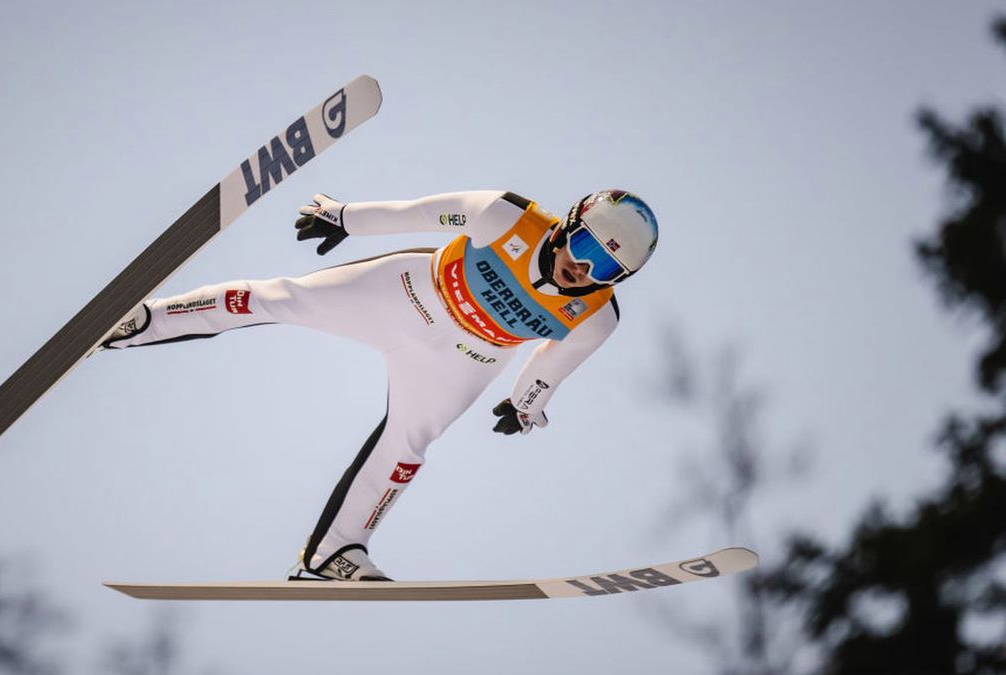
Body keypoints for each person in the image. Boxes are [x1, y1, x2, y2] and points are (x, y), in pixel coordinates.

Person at [99, 189, 659, 581]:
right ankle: (146, 319)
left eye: (606, 271)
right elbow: (414, 214)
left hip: (465, 359)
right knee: (281, 298)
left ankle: (337, 550)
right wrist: (343, 216)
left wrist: (523, 404)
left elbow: (549, 367)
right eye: (585, 250)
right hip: (408, 294)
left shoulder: (596, 317)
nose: (584, 272)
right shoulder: (504, 216)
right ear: (567, 226)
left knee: (408, 450)